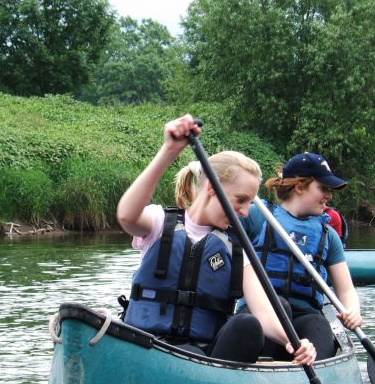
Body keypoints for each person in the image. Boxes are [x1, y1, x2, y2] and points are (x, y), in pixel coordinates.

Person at [116, 114, 317, 365]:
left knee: (248, 325)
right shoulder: (158, 223)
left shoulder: (235, 249)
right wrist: (169, 150)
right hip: (144, 348)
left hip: (201, 360)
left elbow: (264, 312)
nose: (245, 212)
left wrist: (293, 342)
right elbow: (126, 215)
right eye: (240, 200)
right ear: (212, 188)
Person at [238, 152, 363, 361]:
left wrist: (352, 311)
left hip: (306, 315)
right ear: (299, 187)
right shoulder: (256, 216)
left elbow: (346, 289)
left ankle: (309, 372)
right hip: (257, 311)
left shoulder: (328, 235)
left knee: (319, 325)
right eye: (323, 188)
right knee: (280, 306)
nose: (329, 196)